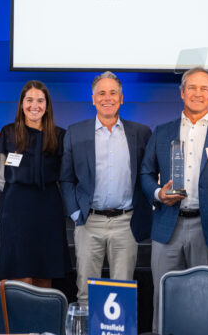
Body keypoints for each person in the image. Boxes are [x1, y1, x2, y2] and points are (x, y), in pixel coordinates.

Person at [140, 67, 208, 332]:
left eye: (204, 89)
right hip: (167, 226)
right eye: (192, 87)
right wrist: (158, 193)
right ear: (182, 92)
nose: (197, 93)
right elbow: (145, 172)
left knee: (207, 299)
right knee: (163, 298)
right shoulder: (162, 131)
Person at [60, 71, 152, 303]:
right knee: (86, 293)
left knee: (122, 294)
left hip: (125, 223)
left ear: (121, 98)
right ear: (93, 99)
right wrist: (75, 213)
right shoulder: (75, 132)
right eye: (101, 93)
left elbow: (147, 174)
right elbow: (66, 178)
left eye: (113, 93)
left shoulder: (141, 133)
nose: (107, 98)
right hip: (89, 223)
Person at [0, 80, 71, 287]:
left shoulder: (59, 135)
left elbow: (67, 173)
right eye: (29, 100)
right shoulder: (8, 132)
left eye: (40, 100)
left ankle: (41, 319)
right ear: (21, 104)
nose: (34, 105)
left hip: (47, 207)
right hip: (16, 208)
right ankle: (17, 320)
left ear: (47, 105)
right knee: (19, 274)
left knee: (44, 272)